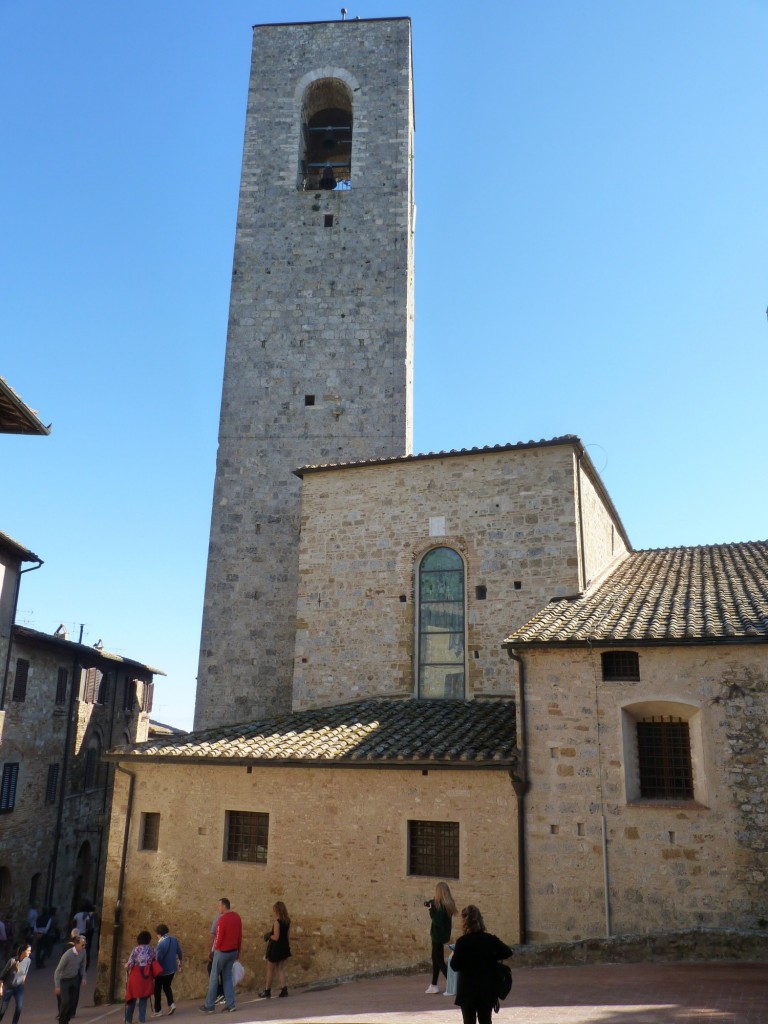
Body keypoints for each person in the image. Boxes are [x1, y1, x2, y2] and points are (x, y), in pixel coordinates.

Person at [449, 905, 512, 1024]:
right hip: (486, 988)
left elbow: (454, 966)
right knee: (486, 1020)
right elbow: (508, 952)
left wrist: (455, 954)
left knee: (468, 1021)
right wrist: (492, 957)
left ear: (464, 922)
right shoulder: (489, 939)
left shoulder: (462, 942)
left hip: (468, 990)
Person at [199, 898, 241, 1014]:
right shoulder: (237, 917)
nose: (218, 908)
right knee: (227, 977)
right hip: (233, 951)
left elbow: (218, 937)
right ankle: (231, 1004)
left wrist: (213, 950)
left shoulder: (221, 919)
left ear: (224, 906)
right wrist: (238, 951)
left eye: (219, 906)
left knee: (214, 978)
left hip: (222, 951)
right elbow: (239, 936)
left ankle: (210, 1005)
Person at [424, 882, 457, 994]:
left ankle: (452, 983)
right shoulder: (447, 904)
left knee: (438, 959)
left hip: (437, 935)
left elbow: (437, 920)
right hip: (442, 934)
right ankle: (434, 984)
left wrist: (431, 910)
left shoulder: (442, 907)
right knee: (435, 958)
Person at [258, 902, 291, 999]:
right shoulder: (288, 921)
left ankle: (267, 990)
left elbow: (276, 937)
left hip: (276, 949)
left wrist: (268, 935)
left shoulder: (277, 922)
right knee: (280, 969)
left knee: (270, 969)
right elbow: (287, 937)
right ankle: (284, 989)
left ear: (277, 911)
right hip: (284, 947)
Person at [53, 934, 87, 1024]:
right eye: (82, 945)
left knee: (72, 1002)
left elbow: (82, 966)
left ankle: (66, 1020)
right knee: (65, 1001)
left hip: (74, 978)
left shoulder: (83, 952)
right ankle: (61, 1020)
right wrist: (57, 986)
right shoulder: (67, 955)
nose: (83, 947)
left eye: (85, 945)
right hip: (64, 980)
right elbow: (58, 971)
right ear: (76, 944)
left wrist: (84, 977)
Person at [124, 931, 156, 1024]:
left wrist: (126, 966)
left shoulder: (136, 949)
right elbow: (154, 959)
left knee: (132, 996)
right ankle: (142, 1019)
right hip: (147, 974)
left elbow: (130, 963)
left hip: (136, 974)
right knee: (144, 996)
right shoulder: (152, 949)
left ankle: (128, 1019)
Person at [152, 925, 182, 1017]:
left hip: (162, 970)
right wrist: (180, 962)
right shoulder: (174, 940)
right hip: (172, 969)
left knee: (157, 989)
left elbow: (159, 958)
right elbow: (179, 952)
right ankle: (171, 1004)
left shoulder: (161, 944)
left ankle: (158, 1010)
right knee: (167, 987)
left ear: (158, 934)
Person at [0, 943, 32, 1024]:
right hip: (8, 988)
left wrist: (22, 981)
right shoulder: (12, 961)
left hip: (19, 988)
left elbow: (25, 972)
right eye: (28, 951)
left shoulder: (28, 960)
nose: (30, 952)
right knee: (3, 1010)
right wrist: (0, 988)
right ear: (23, 951)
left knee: (19, 1007)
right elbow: (2, 975)